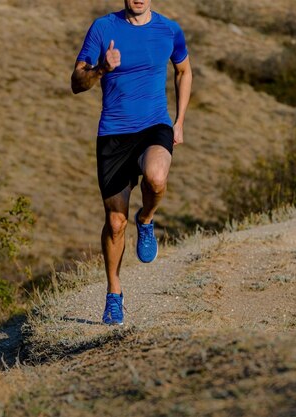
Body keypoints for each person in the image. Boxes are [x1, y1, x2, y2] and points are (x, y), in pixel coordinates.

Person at [71, 0, 192, 325]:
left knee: (156, 177)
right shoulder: (103, 29)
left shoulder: (169, 29)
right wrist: (101, 69)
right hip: (113, 134)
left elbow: (183, 70)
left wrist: (178, 121)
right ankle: (114, 293)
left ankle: (147, 218)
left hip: (154, 125)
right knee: (114, 223)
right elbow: (76, 83)